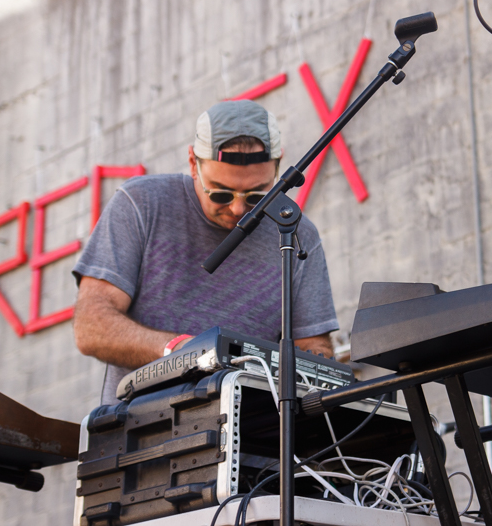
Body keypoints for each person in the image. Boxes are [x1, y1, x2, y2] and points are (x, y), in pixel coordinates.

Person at [74, 100, 338, 406]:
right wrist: (182, 352)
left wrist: (318, 370)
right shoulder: (142, 204)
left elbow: (314, 347)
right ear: (192, 163)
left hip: (253, 428)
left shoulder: (299, 234)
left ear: (278, 167)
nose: (237, 209)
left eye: (257, 195)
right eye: (221, 193)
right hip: (140, 423)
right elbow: (92, 326)